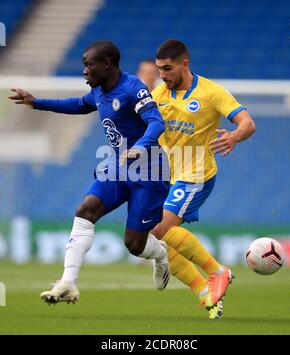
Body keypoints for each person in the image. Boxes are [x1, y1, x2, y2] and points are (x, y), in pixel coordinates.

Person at [8, 40, 171, 304]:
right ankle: (68, 283)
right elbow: (79, 104)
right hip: (118, 167)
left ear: (106, 65)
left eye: (88, 65)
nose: (85, 70)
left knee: (134, 245)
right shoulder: (98, 91)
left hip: (149, 172)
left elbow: (156, 122)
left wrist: (141, 147)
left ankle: (161, 254)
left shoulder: (133, 89)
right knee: (86, 209)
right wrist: (37, 103)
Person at [150, 40, 256, 314]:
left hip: (197, 174)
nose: (162, 75)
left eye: (167, 68)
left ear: (184, 64)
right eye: (159, 69)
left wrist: (234, 135)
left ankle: (217, 271)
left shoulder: (211, 92)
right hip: (170, 176)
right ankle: (205, 291)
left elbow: (247, 122)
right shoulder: (160, 93)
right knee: (149, 237)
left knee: (157, 231)